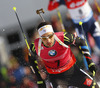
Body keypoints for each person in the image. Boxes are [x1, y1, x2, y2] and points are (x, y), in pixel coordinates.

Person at [28, 21, 99, 88]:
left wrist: (90, 62)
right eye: (44, 38)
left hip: (74, 73)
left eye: (50, 36)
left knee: (94, 86)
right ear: (40, 38)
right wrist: (39, 79)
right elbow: (31, 59)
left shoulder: (63, 37)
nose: (48, 40)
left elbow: (81, 41)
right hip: (57, 79)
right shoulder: (35, 46)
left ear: (53, 34)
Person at [48, 0, 100, 70]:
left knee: (99, 41)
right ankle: (90, 71)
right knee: (85, 49)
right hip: (80, 27)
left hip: (91, 23)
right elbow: (50, 7)